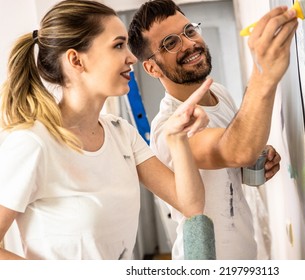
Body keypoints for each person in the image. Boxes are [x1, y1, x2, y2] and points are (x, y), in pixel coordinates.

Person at [0, 0, 212, 260]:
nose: (132, 57)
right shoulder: (33, 143)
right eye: (118, 45)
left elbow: (191, 205)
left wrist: (177, 138)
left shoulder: (121, 133)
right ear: (76, 60)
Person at [128, 0, 297, 259]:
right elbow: (236, 149)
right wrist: (263, 73)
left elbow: (234, 154)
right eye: (170, 43)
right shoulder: (170, 129)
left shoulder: (219, 93)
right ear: (151, 67)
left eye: (189, 31)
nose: (189, 44)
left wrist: (255, 161)